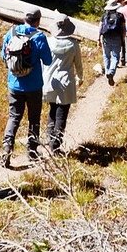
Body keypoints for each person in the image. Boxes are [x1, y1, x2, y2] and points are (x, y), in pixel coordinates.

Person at [0, 5, 52, 167]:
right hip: (34, 85)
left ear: (24, 18)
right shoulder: (39, 37)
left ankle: (6, 149)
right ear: (38, 21)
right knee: (34, 118)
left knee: (14, 116)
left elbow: (3, 56)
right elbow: (48, 60)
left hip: (14, 84)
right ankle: (32, 152)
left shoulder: (11, 32)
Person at [42, 14, 83, 156]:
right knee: (62, 114)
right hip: (66, 81)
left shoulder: (48, 42)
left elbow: (43, 63)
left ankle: (50, 137)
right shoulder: (73, 44)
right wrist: (80, 77)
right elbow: (78, 64)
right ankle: (56, 144)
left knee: (52, 110)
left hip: (49, 81)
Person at [99, 0, 125, 85]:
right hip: (116, 37)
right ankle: (111, 72)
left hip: (106, 37)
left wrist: (98, 38)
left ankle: (107, 72)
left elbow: (100, 27)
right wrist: (123, 38)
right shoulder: (120, 16)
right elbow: (123, 28)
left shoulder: (104, 16)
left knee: (106, 56)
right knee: (115, 56)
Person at [114, 0, 127, 66]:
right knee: (123, 45)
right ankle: (123, 60)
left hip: (114, 29)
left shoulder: (113, 8)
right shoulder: (123, 9)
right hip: (121, 28)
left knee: (115, 45)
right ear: (122, 1)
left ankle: (116, 61)